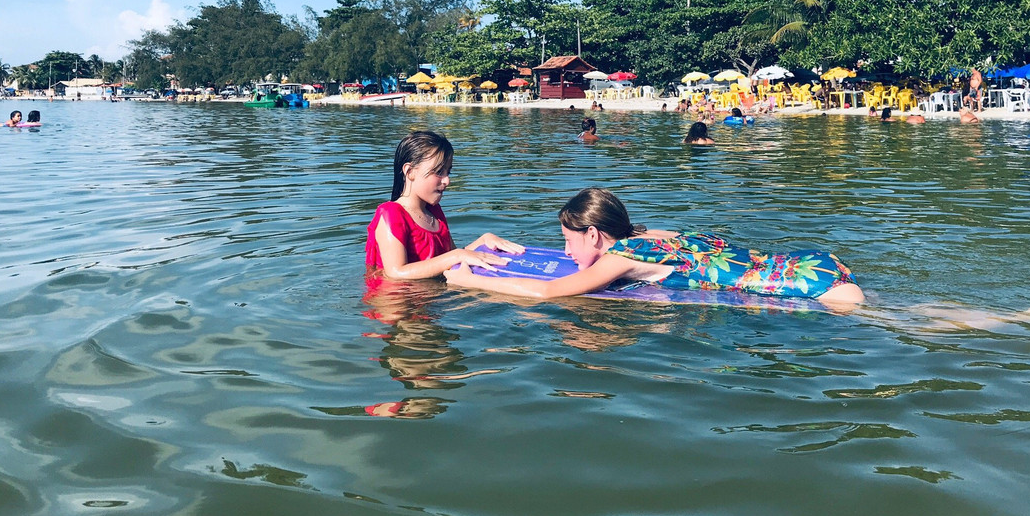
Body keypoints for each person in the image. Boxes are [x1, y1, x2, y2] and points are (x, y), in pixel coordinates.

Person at [444, 188, 864, 305]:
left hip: (810, 290)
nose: (566, 252)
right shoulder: (652, 237)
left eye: (568, 240)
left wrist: (471, 282)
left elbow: (547, 291)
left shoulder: (618, 256)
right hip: (811, 264)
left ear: (594, 234)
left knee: (903, 322)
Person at [366, 130, 523, 280]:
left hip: (432, 301)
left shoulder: (434, 212)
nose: (447, 180)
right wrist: (457, 255)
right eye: (439, 172)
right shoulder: (391, 213)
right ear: (410, 172)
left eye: (448, 172)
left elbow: (453, 256)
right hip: (395, 305)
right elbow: (396, 272)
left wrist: (483, 240)